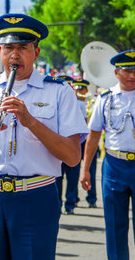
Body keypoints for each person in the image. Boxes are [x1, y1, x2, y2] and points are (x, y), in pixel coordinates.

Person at [0, 13, 88, 260]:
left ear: (36, 53)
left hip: (35, 198)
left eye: (22, 48)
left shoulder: (59, 91)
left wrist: (30, 121)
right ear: (0, 51)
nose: (14, 55)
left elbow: (72, 157)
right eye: (8, 48)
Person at [80, 50, 135, 260]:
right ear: (116, 73)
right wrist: (85, 169)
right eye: (127, 71)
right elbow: (93, 135)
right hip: (114, 165)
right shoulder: (105, 99)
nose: (133, 76)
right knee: (115, 226)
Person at [54, 75, 82, 215]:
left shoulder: (79, 103)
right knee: (57, 179)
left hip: (73, 145)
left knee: (72, 179)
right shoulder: (52, 101)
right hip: (56, 147)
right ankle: (57, 204)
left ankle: (70, 204)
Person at [72, 78, 98, 208]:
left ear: (86, 90)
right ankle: (74, 197)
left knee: (90, 170)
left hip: (90, 140)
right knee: (74, 172)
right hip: (78, 140)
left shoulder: (94, 102)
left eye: (81, 89)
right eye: (76, 89)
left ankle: (91, 198)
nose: (79, 91)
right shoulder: (73, 103)